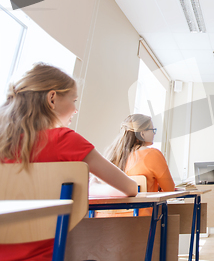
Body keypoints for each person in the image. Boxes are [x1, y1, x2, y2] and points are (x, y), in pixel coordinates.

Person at [0, 63, 138, 261]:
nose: (75, 109)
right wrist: (89, 187)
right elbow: (129, 188)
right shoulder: (65, 140)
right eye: (73, 100)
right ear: (52, 98)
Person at [104, 114, 175, 216]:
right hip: (139, 222)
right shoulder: (152, 154)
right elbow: (170, 190)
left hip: (104, 221)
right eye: (152, 130)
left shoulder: (110, 154)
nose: (154, 134)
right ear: (142, 134)